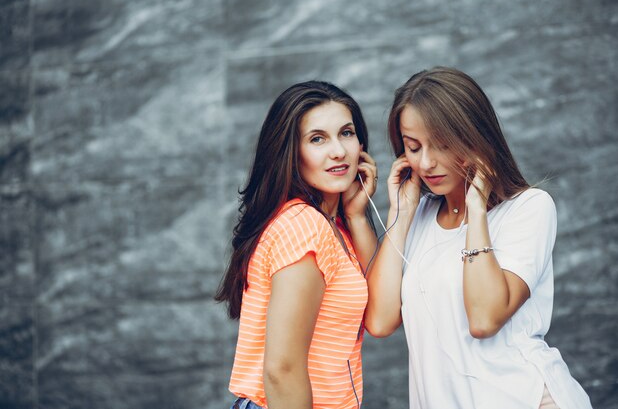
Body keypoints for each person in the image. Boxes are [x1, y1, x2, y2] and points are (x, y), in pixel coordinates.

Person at [365, 67, 592, 409]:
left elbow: (484, 319)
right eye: (413, 147)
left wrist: (475, 209)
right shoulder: (420, 215)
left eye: (442, 144)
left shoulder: (529, 209)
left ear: (475, 137)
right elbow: (381, 321)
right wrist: (402, 213)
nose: (426, 162)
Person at [215, 80, 378, 409]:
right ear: (291, 152)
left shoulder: (335, 226)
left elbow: (382, 314)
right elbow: (282, 370)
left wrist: (358, 216)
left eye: (346, 133)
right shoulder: (304, 227)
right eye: (317, 138)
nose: (339, 151)